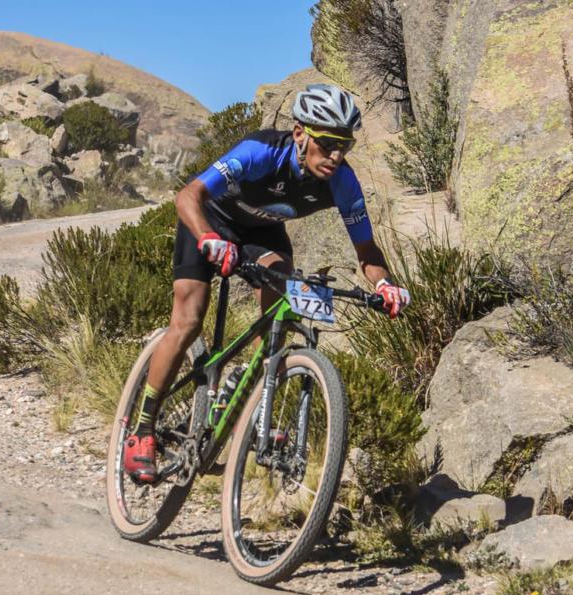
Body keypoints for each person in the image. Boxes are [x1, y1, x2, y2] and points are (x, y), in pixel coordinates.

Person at [124, 83, 411, 483]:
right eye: (328, 143)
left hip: (262, 233)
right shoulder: (261, 152)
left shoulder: (343, 182)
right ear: (300, 133)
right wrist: (208, 238)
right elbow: (188, 196)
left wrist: (386, 286)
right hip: (210, 221)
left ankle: (254, 400)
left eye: (345, 145)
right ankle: (142, 430)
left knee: (283, 295)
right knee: (188, 321)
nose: (336, 155)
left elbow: (367, 251)